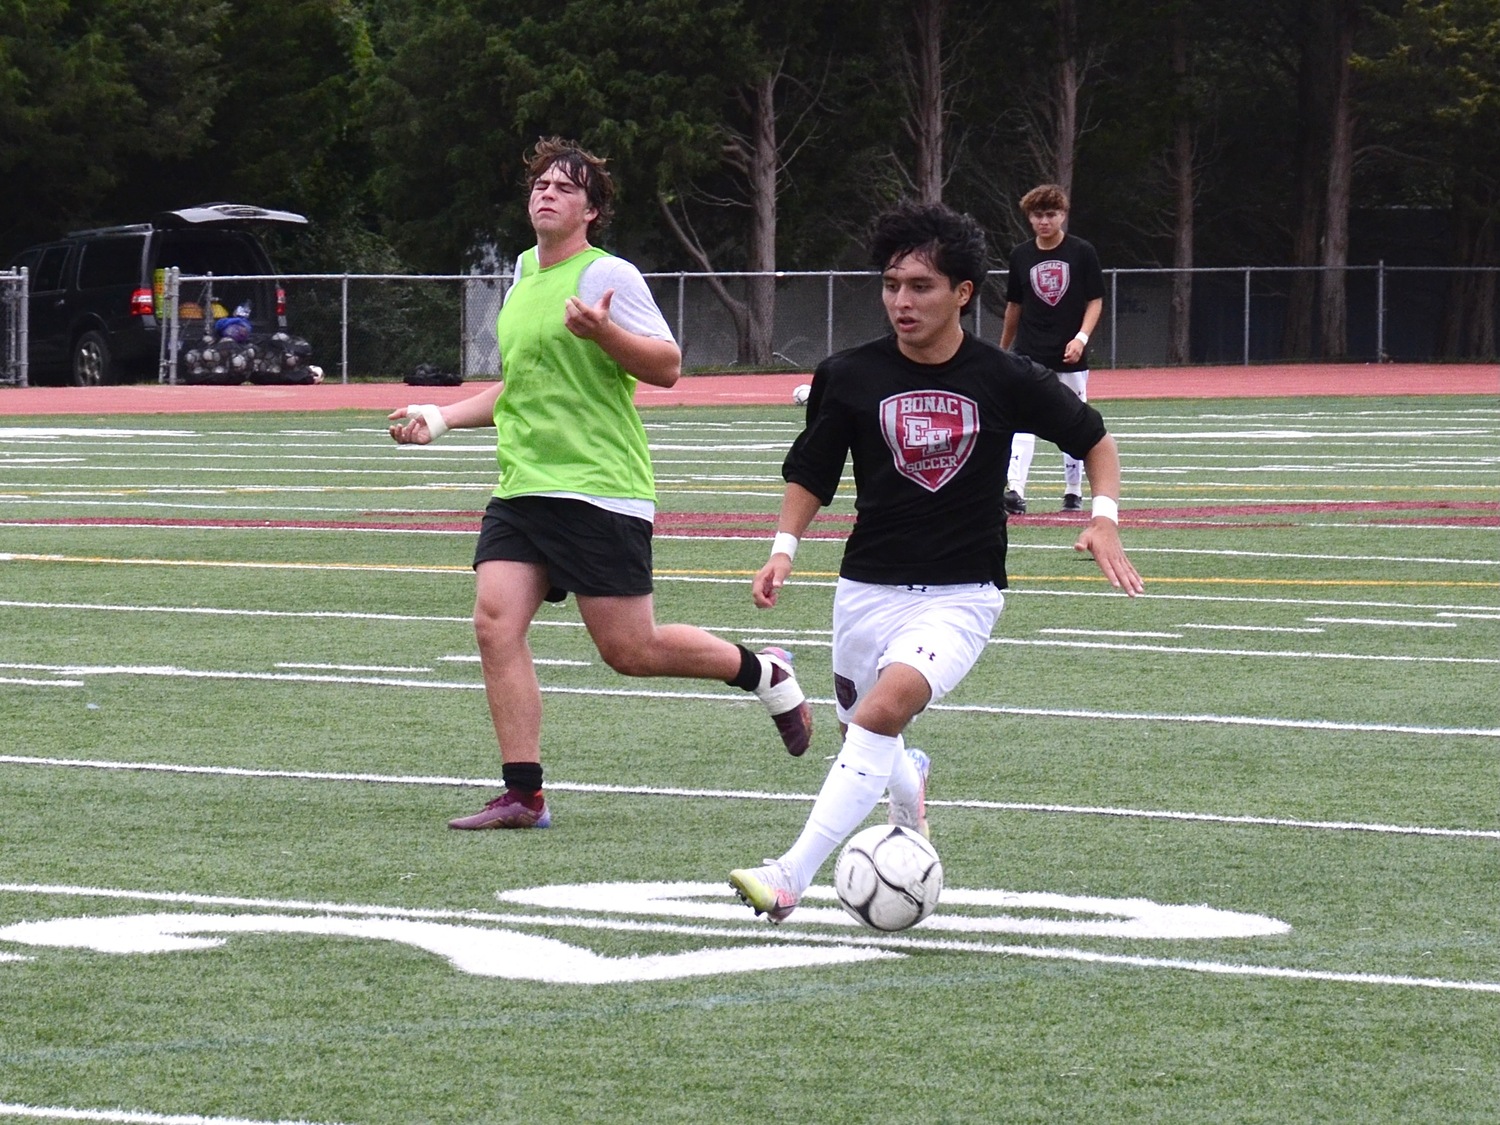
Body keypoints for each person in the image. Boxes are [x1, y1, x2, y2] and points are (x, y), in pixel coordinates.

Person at [729, 200, 1142, 922]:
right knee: (867, 727)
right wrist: (782, 549)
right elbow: (813, 472)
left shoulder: (1004, 375)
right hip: (864, 589)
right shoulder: (849, 374)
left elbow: (1095, 440)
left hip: (962, 593)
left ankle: (790, 874)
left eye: (920, 285)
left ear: (962, 293)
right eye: (891, 284)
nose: (901, 300)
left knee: (881, 711)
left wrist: (1104, 520)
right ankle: (906, 774)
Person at [389, 136, 813, 830]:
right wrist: (438, 417)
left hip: (598, 486)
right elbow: (518, 388)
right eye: (539, 185)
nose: (546, 193)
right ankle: (524, 793)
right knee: (494, 621)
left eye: (564, 186)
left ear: (592, 209)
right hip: (524, 486)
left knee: (630, 650)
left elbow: (668, 366)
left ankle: (763, 671)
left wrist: (604, 334)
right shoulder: (524, 273)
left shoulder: (605, 275)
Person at [999, 183, 1105, 514]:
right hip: (1029, 350)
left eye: (1051, 214)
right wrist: (1003, 349)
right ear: (1029, 218)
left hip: (1069, 353)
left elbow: (1095, 300)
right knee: (1020, 421)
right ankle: (1015, 489)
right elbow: (1013, 306)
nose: (1044, 221)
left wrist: (1081, 338)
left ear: (1063, 215)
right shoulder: (1021, 255)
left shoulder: (1082, 252)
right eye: (1037, 215)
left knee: (1074, 422)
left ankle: (1073, 491)